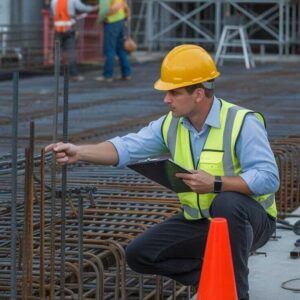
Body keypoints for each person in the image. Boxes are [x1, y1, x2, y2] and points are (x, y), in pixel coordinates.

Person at [45, 44, 279, 300]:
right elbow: (128, 147)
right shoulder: (171, 124)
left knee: (227, 201)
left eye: (174, 92)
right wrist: (79, 152)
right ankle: (216, 275)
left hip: (251, 222)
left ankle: (235, 293)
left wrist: (216, 183)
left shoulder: (242, 122)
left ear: (199, 94)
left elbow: (269, 177)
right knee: (139, 254)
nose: (166, 99)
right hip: (203, 221)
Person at [51, 0, 98, 81]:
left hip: (57, 29)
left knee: (58, 52)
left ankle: (56, 73)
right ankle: (74, 74)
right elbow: (83, 8)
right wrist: (95, 7)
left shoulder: (54, 1)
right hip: (69, 29)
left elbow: (54, 14)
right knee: (71, 52)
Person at [95, 0, 132, 82]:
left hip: (112, 22)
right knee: (120, 49)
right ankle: (126, 73)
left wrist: (103, 17)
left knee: (109, 50)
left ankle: (108, 75)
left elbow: (108, 9)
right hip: (120, 20)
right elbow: (123, 5)